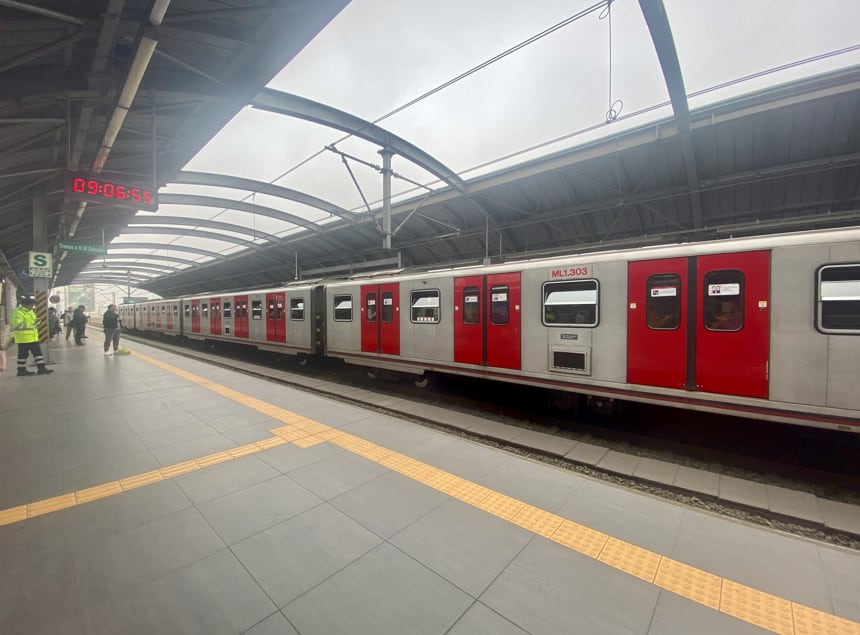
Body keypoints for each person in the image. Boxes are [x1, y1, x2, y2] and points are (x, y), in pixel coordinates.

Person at [10, 296, 54, 376]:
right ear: (24, 305)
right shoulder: (18, 312)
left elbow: (33, 322)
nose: (32, 307)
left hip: (32, 337)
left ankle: (41, 369)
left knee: (37, 353)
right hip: (23, 338)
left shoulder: (30, 312)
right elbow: (17, 325)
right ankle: (21, 370)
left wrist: (37, 321)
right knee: (23, 355)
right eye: (31, 305)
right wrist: (32, 323)